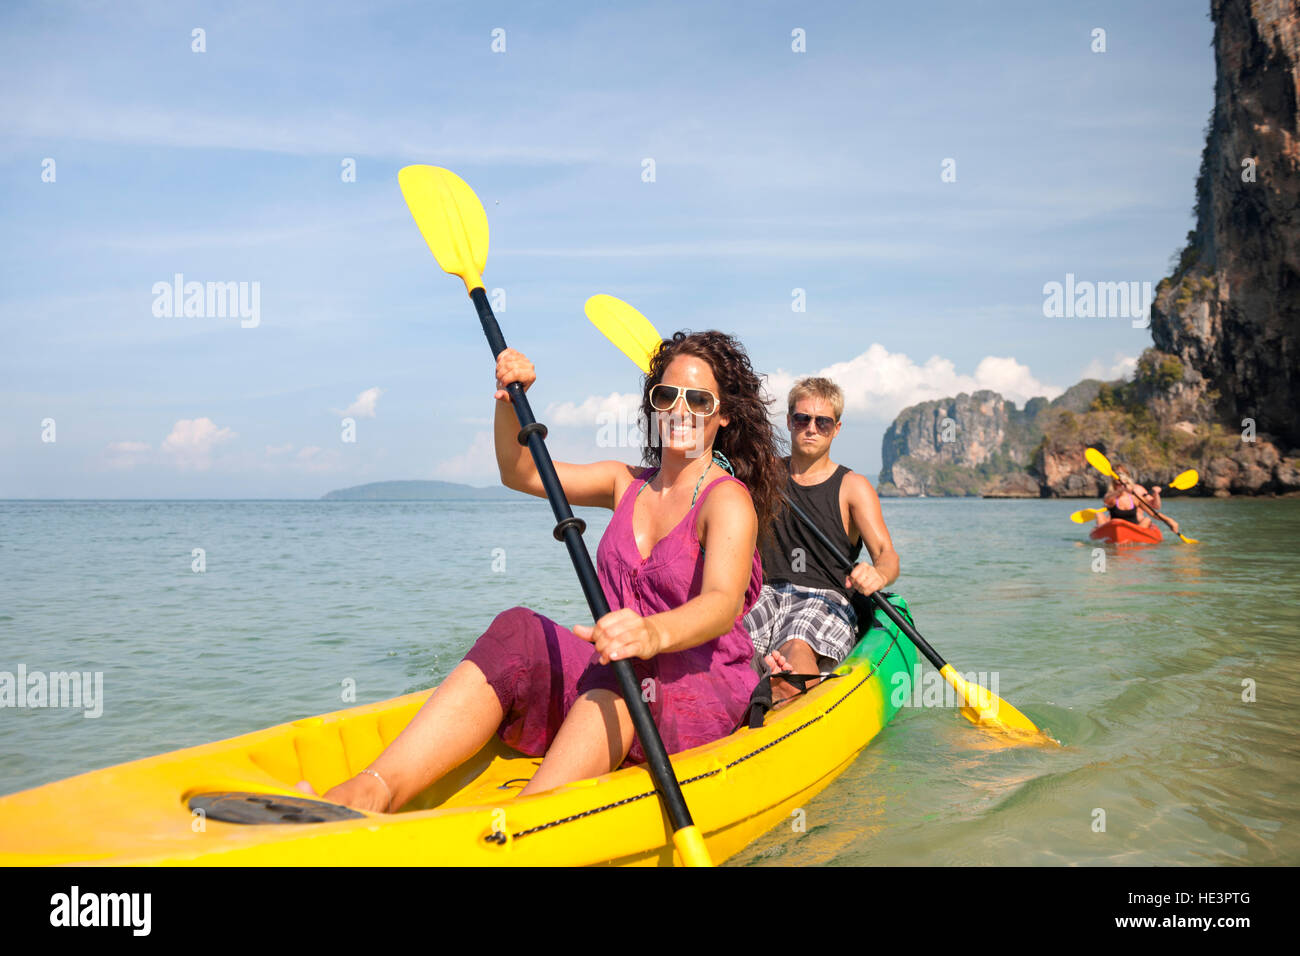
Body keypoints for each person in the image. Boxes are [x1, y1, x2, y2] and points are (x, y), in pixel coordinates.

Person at [303, 330, 787, 812]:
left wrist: (652, 633)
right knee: (519, 630)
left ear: (723, 416)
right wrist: (510, 401)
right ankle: (374, 789)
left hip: (693, 692)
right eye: (667, 395)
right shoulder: (625, 484)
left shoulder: (727, 499)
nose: (681, 410)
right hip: (620, 669)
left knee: (621, 683)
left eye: (699, 399)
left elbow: (722, 602)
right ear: (653, 405)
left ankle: (523, 827)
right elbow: (521, 473)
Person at [744, 377, 901, 702]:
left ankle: (788, 688)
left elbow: (886, 553)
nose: (811, 428)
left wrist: (878, 573)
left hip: (823, 598)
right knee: (729, 645)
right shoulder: (763, 475)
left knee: (798, 643)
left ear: (836, 428)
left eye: (822, 422)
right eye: (802, 419)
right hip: (763, 593)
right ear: (789, 421)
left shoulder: (853, 486)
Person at [1094, 464, 1179, 533]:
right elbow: (1106, 500)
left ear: (1128, 482)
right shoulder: (1111, 497)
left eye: (1123, 483)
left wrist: (1169, 520)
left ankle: (1137, 535)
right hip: (1116, 526)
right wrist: (1119, 491)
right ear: (1114, 484)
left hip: (1134, 528)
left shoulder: (1135, 497)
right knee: (1099, 514)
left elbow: (1153, 512)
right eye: (1117, 483)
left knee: (1147, 519)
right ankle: (1101, 533)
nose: (1121, 485)